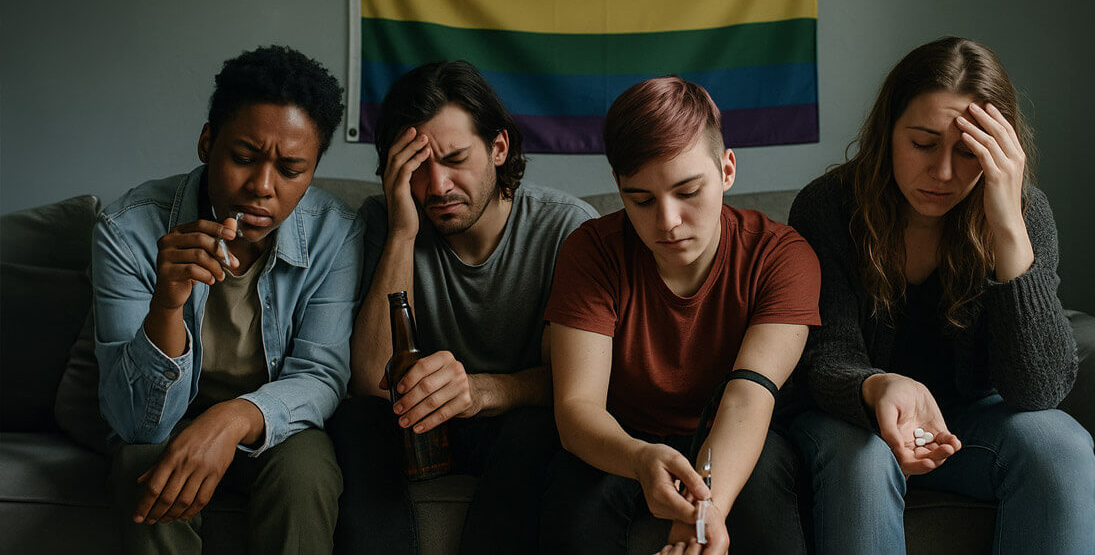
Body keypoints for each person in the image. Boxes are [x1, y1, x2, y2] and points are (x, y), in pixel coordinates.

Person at [785, 36, 1095, 553]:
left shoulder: (1025, 215)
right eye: (923, 144)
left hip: (967, 426)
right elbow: (823, 355)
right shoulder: (827, 208)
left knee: (1061, 446)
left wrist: (1007, 226)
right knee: (866, 459)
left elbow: (1038, 390)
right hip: (851, 423)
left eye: (969, 151)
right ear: (888, 132)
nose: (944, 173)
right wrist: (877, 386)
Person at [94, 45, 361, 554]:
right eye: (243, 158)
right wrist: (166, 305)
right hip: (167, 423)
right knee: (141, 465)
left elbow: (321, 375)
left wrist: (232, 418)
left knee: (305, 472)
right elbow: (134, 423)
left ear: (313, 170)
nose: (262, 187)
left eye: (291, 170)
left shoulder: (336, 232)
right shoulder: (126, 229)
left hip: (274, 424)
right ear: (206, 142)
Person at [541, 76, 820, 554]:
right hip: (622, 435)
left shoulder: (781, 256)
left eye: (688, 191)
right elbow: (577, 409)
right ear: (619, 188)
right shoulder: (591, 252)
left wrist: (705, 510)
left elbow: (747, 399)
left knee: (766, 487)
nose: (667, 222)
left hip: (733, 427)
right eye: (641, 200)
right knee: (575, 502)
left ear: (727, 170)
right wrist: (640, 458)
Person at [328, 60, 597, 554]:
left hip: (516, 428)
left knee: (539, 429)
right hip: (415, 429)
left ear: (499, 147)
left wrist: (480, 391)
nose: (438, 186)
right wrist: (403, 233)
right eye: (417, 167)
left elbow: (579, 384)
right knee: (357, 421)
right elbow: (369, 381)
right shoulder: (385, 222)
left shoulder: (567, 230)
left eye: (455, 159)